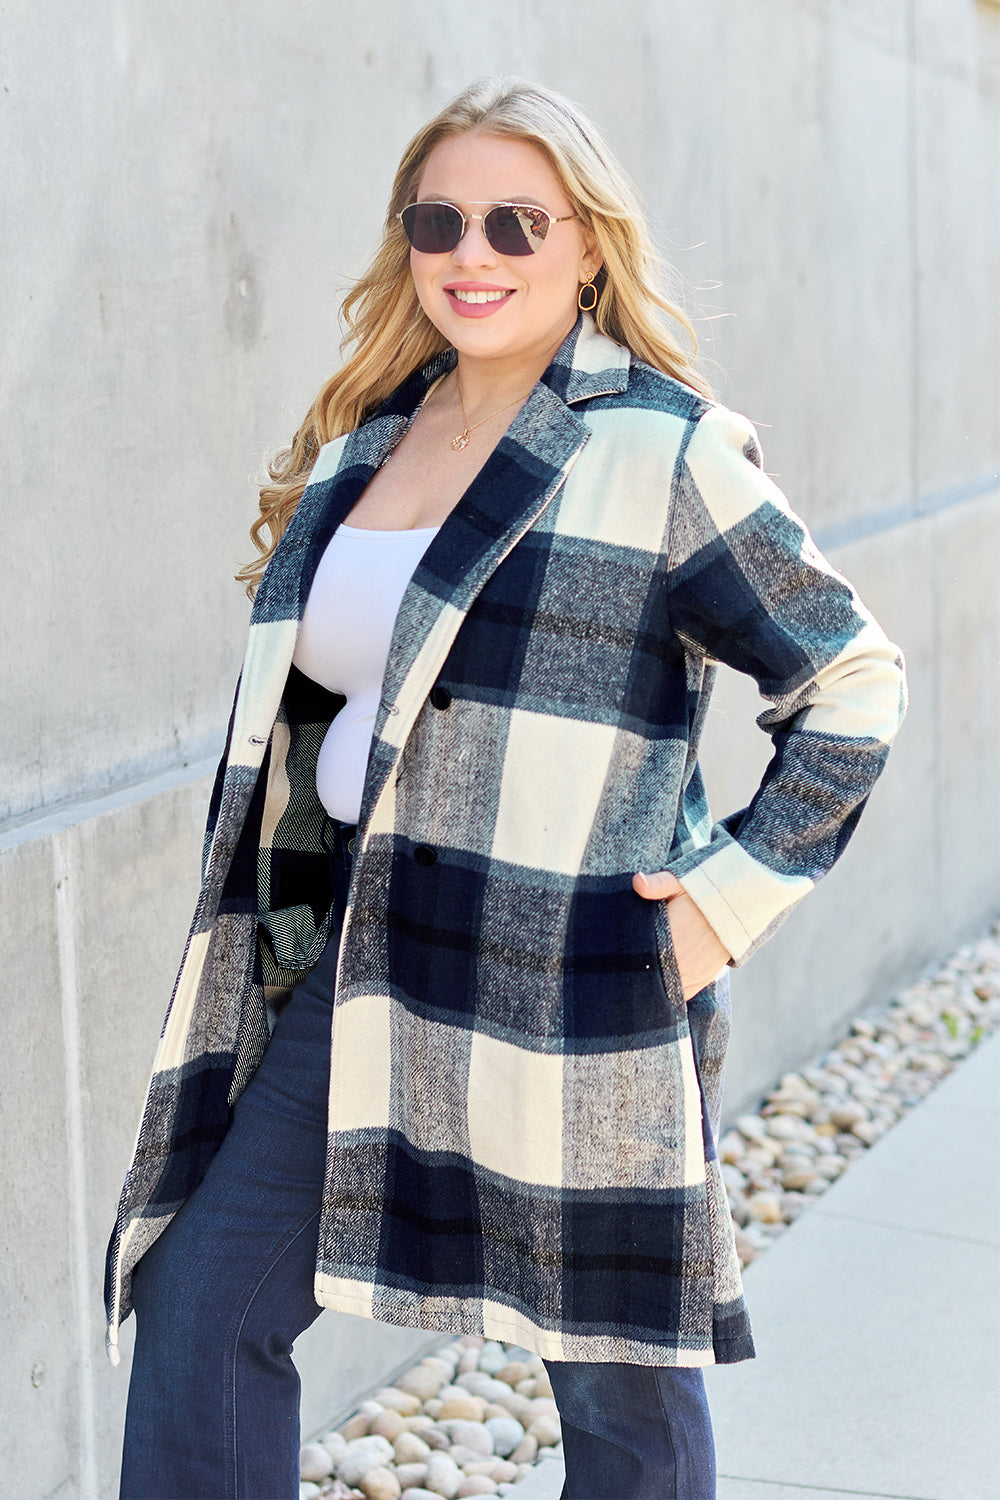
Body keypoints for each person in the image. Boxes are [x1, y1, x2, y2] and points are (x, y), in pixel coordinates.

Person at [106, 76, 907, 1500]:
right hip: (349, 965)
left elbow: (852, 684)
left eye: (516, 223)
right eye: (441, 220)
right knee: (200, 1304)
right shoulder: (363, 447)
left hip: (569, 981)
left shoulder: (658, 450)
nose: (473, 254)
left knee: (613, 1377)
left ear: (587, 245)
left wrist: (718, 908)